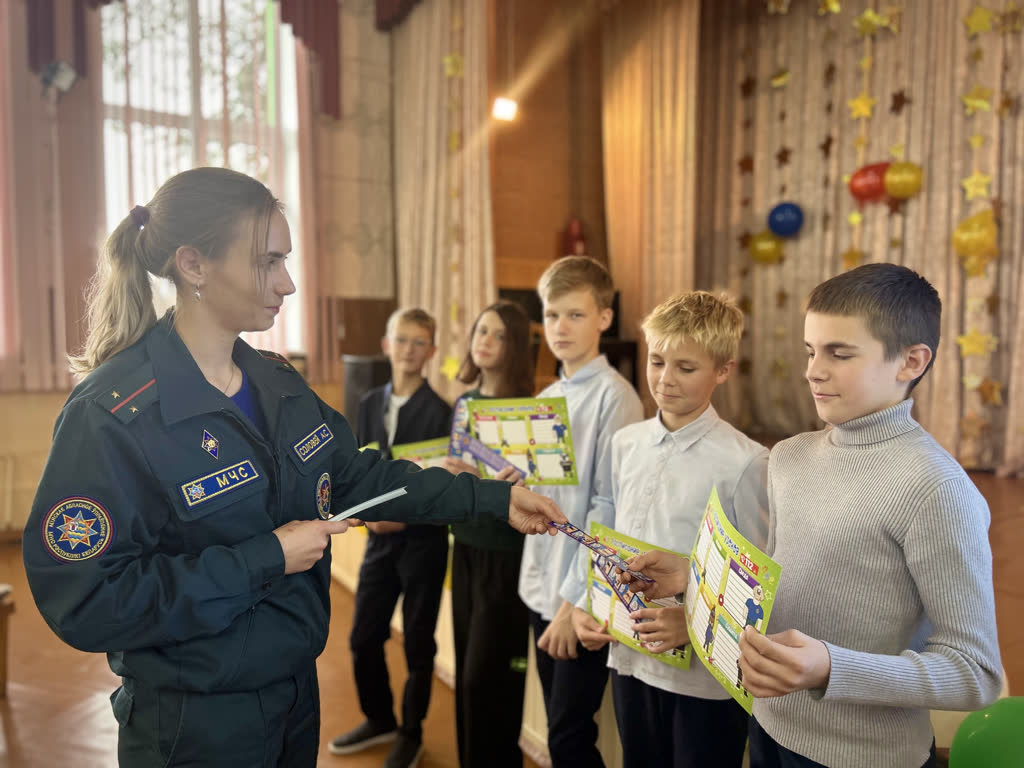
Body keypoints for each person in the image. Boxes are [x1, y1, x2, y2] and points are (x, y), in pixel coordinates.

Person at [21, 167, 566, 768]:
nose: (288, 283)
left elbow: (360, 478)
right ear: (194, 265)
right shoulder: (114, 414)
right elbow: (89, 599)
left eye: (285, 260)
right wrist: (268, 557)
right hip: (195, 721)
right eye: (267, 262)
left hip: (293, 696)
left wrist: (490, 499)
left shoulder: (277, 385)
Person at [626, 264, 1004, 768]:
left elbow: (974, 672)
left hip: (863, 757)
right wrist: (693, 579)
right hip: (767, 727)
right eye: (810, 351)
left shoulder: (936, 489)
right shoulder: (789, 455)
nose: (813, 370)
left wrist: (831, 667)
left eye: (839, 353)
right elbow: (781, 590)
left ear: (911, 361)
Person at [576, 292, 767, 768]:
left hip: (703, 679)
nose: (665, 379)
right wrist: (591, 604)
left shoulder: (745, 462)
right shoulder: (625, 444)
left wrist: (695, 624)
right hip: (629, 657)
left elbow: (757, 583)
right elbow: (613, 537)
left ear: (723, 370)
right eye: (657, 361)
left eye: (686, 367)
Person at [518, 256, 644, 766]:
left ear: (604, 318)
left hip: (580, 596)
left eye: (575, 314)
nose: (560, 328)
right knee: (557, 726)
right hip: (539, 584)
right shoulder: (547, 396)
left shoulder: (616, 398)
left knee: (571, 734)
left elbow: (607, 511)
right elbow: (547, 491)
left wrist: (576, 603)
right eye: (552, 316)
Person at [328, 308, 452, 767]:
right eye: (401, 340)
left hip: (422, 543)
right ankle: (378, 718)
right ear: (386, 344)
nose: (409, 351)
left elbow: (440, 487)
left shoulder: (443, 413)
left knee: (420, 644)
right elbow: (361, 469)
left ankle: (411, 733)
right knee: (363, 637)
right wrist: (367, 512)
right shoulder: (366, 402)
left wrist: (396, 517)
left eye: (420, 343)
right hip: (378, 543)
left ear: (432, 352)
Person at [440, 300, 536, 768]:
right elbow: (459, 473)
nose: (485, 341)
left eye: (498, 335)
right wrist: (452, 473)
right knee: (467, 673)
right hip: (466, 548)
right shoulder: (464, 404)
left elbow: (541, 487)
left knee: (489, 677)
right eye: (481, 331)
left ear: (516, 346)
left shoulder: (533, 411)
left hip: (508, 554)